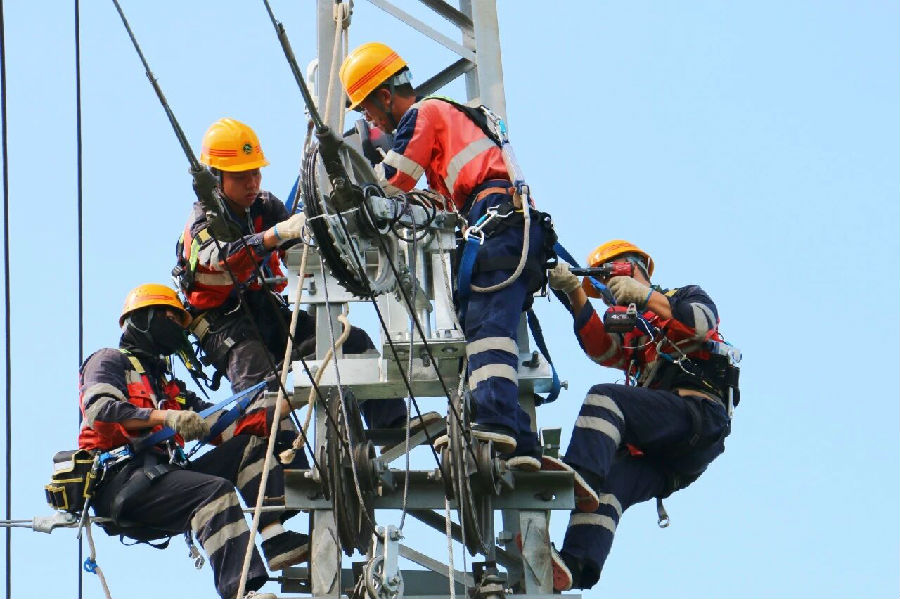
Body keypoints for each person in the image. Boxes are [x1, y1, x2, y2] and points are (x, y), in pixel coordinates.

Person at [338, 42, 557, 468]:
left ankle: (496, 422)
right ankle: (522, 445)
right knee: (480, 327)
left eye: (367, 109)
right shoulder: (449, 131)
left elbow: (395, 179)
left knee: (487, 328)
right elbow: (435, 202)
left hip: (498, 223)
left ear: (385, 95)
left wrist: (355, 190)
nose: (371, 120)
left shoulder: (425, 113)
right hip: (501, 226)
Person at [174, 117, 409, 430]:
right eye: (241, 176)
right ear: (217, 178)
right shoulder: (201, 223)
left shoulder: (265, 207)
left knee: (352, 343)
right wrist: (274, 235)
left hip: (267, 311)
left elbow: (300, 253)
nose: (252, 183)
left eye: (255, 173)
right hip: (225, 326)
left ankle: (393, 427)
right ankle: (276, 444)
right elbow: (223, 259)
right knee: (258, 400)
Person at [79, 284, 308, 599]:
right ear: (145, 318)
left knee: (249, 446)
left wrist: (293, 401)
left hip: (163, 477)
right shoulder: (109, 360)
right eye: (171, 318)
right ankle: (241, 591)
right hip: (122, 483)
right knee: (214, 491)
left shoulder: (168, 387)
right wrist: (166, 418)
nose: (177, 327)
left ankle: (274, 537)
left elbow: (226, 427)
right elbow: (100, 412)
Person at [545, 240, 738, 591]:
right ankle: (577, 566)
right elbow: (603, 349)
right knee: (611, 482)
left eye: (608, 278)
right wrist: (575, 292)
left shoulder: (684, 296)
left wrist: (646, 297)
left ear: (634, 267)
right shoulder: (635, 337)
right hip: (670, 455)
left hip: (699, 415)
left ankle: (581, 474)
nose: (607, 293)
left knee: (605, 399)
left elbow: (699, 323)